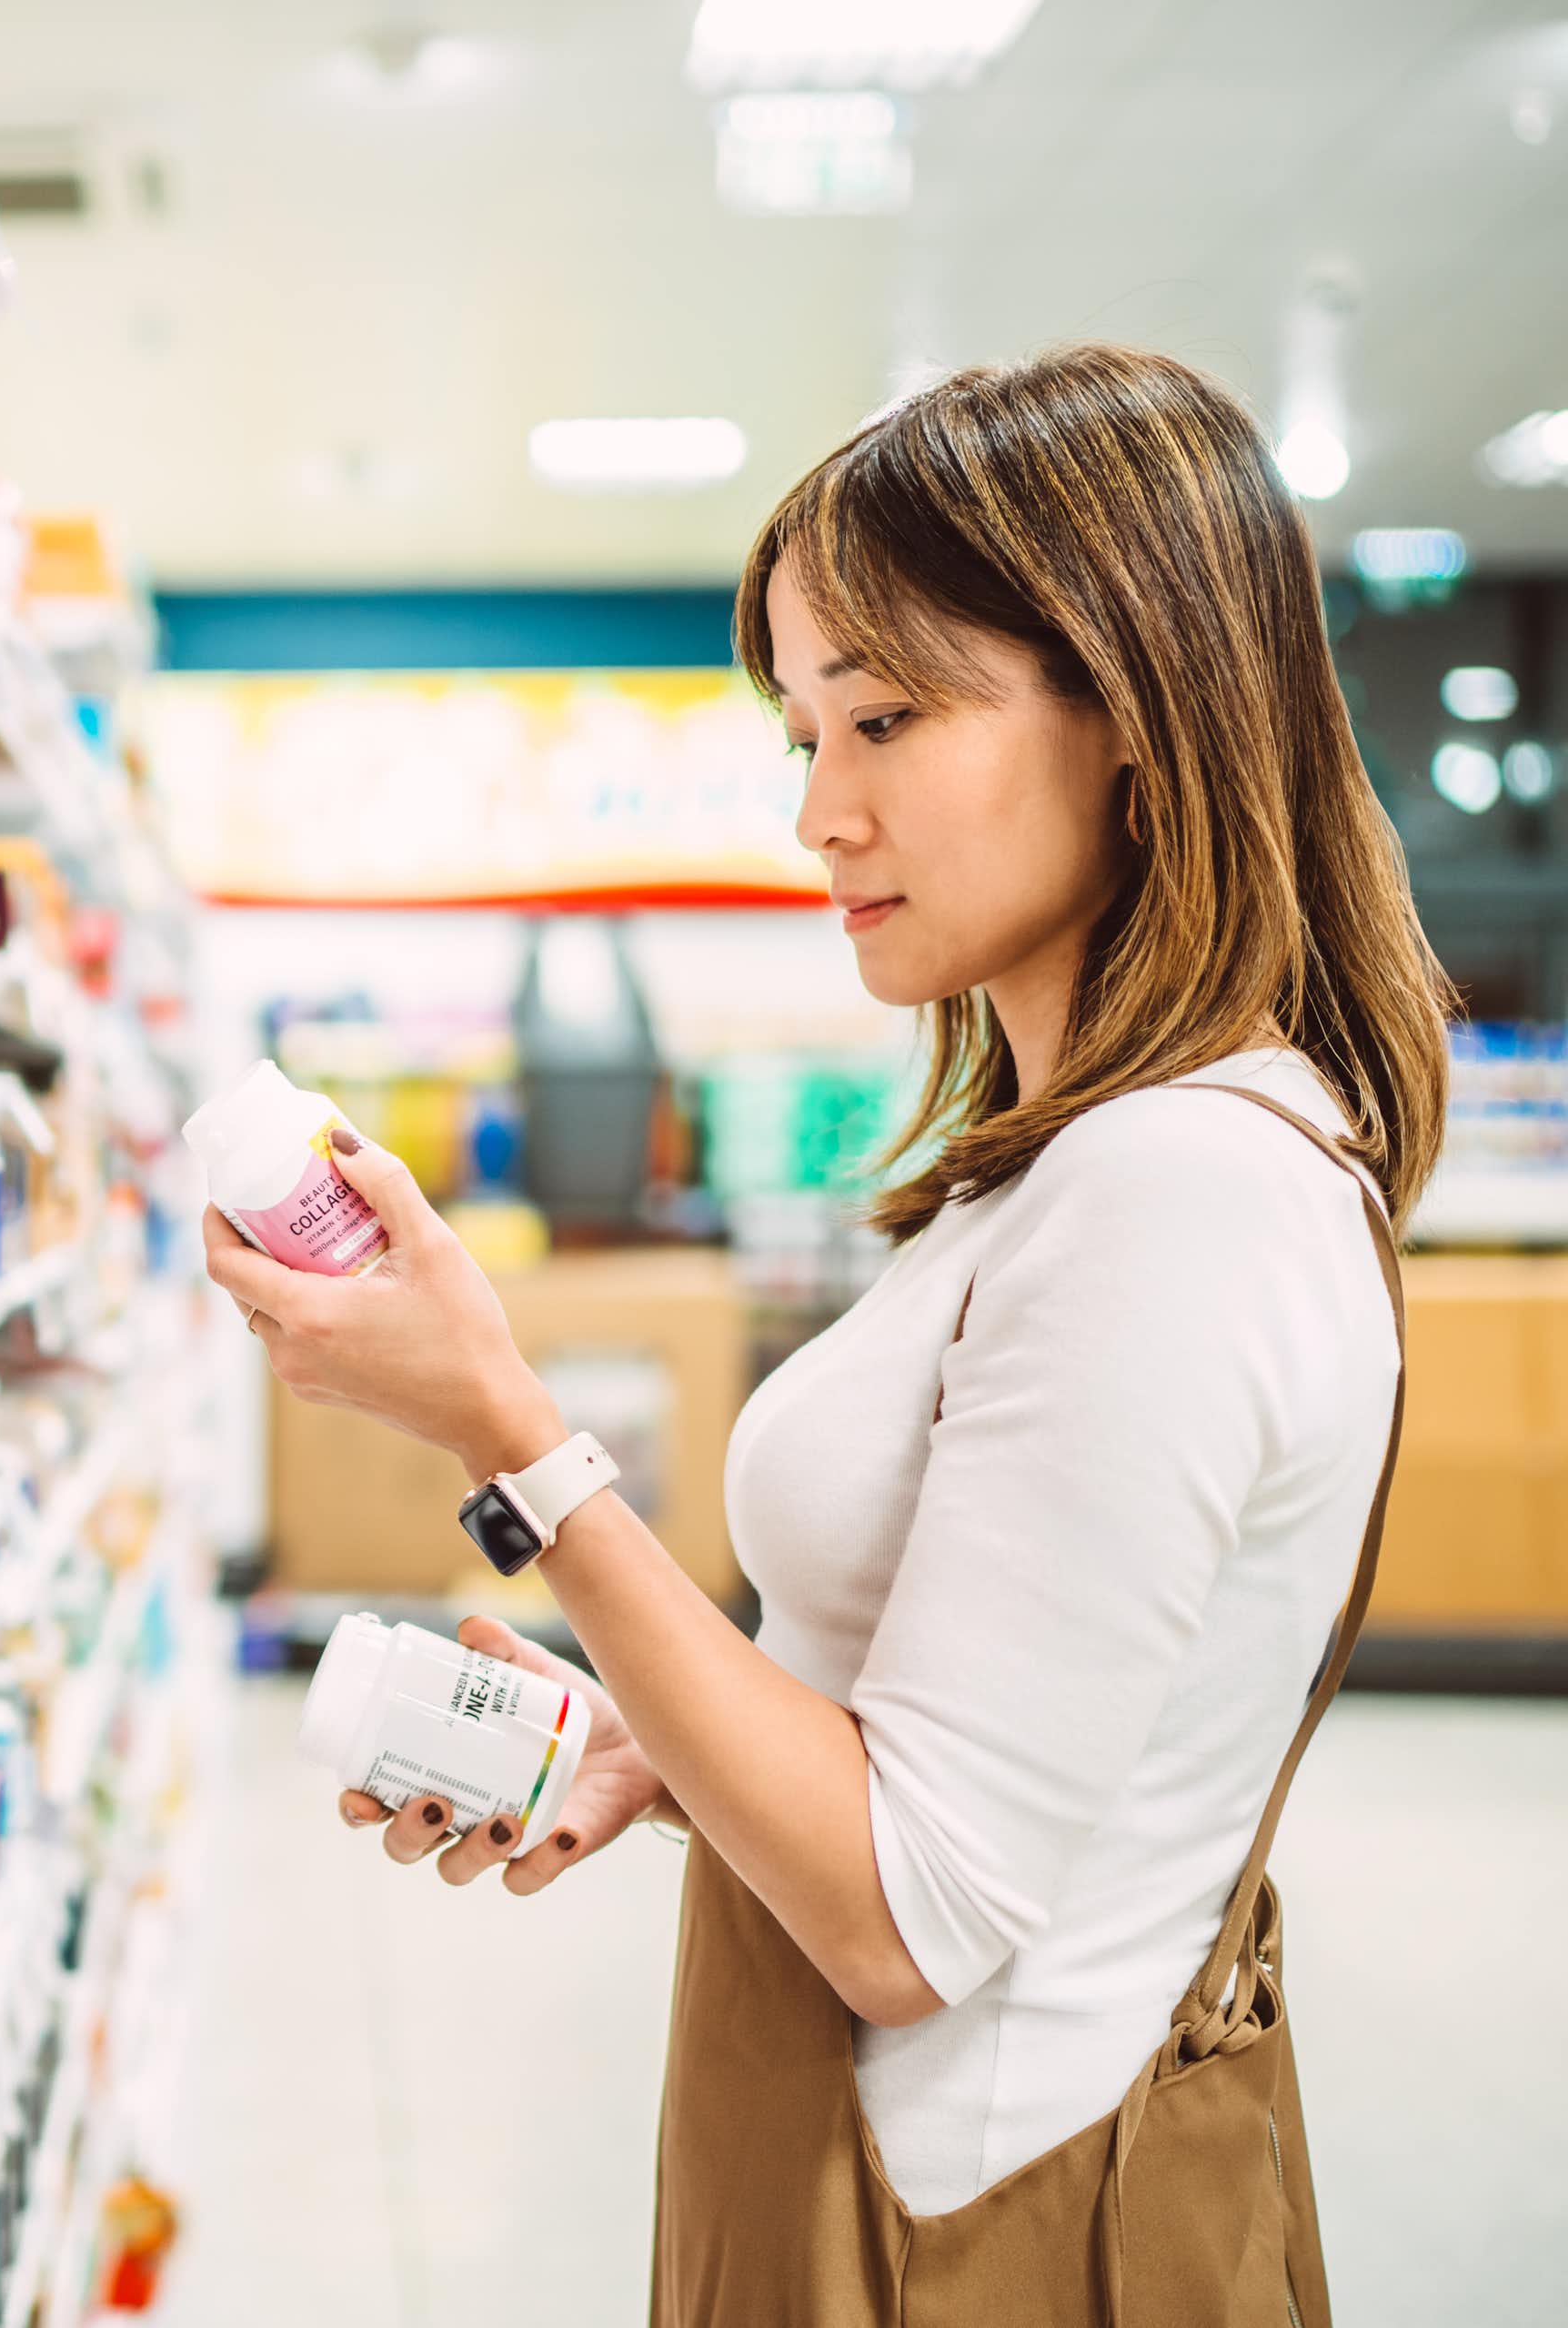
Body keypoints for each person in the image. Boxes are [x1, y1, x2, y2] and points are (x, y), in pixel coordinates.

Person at [202, 343, 1451, 2324]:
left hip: (968, 2225)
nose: (815, 808)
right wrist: (663, 1749)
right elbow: (994, 1741)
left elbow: (905, 1913)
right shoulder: (1062, 1165)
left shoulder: (1179, 1193)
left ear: (1136, 709)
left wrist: (506, 1435)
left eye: (881, 716)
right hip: (882, 2166)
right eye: (799, 725)